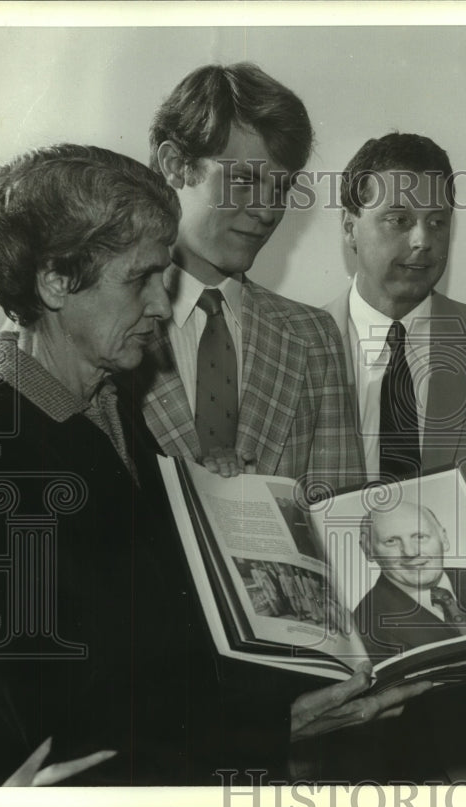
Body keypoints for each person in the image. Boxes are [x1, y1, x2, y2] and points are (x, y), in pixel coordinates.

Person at [0, 144, 429, 786]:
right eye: (141, 278)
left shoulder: (104, 409)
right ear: (55, 281)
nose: (161, 305)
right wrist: (273, 727)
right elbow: (64, 733)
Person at [320, 132, 466, 782]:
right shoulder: (297, 343)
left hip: (465, 691)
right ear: (350, 227)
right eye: (398, 220)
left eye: (438, 222)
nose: (423, 241)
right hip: (341, 684)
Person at [136, 62, 362, 494]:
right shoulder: (104, 322)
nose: (266, 211)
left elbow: (342, 524)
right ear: (175, 165)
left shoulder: (314, 339)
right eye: (243, 180)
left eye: (280, 189)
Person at [355, 502, 466, 659]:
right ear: (368, 551)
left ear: (444, 539)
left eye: (420, 536)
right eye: (391, 541)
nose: (411, 552)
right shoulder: (363, 625)